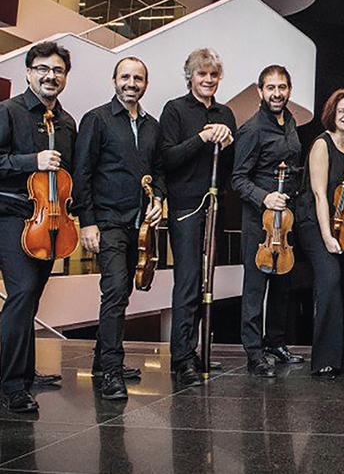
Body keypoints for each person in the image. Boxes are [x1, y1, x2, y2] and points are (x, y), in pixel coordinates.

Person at [73, 57, 164, 399]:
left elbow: (159, 171)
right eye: (125, 77)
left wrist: (159, 198)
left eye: (138, 78)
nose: (131, 83)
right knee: (114, 292)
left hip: (139, 225)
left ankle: (102, 361)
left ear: (145, 84)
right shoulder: (96, 119)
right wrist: (87, 222)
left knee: (123, 293)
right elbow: (82, 173)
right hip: (108, 220)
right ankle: (112, 371)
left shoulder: (153, 126)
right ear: (114, 81)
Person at [0, 42, 76, 412]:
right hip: (10, 217)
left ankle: (24, 372)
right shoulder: (8, 111)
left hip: (48, 221)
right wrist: (33, 160)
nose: (51, 76)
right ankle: (12, 386)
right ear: (29, 73)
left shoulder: (66, 122)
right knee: (22, 295)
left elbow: (68, 175)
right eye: (43, 69)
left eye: (58, 70)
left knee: (29, 300)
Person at [159, 48, 236, 386]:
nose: (208, 80)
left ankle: (199, 351)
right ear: (190, 76)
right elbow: (167, 158)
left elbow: (231, 167)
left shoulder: (226, 113)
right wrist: (201, 138)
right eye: (202, 74)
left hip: (215, 208)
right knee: (188, 282)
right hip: (186, 208)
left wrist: (228, 143)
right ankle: (183, 358)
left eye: (213, 75)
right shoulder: (175, 109)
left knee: (207, 283)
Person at [231, 65, 306, 378]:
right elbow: (238, 179)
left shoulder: (290, 121)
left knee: (282, 285)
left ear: (289, 90)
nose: (277, 93)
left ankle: (275, 343)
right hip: (259, 223)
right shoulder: (252, 129)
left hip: (285, 221)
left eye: (282, 87)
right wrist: (264, 197)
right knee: (255, 288)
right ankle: (254, 353)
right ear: (260, 91)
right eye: (271, 88)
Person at [297, 89, 344, 379]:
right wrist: (326, 236)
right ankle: (324, 359)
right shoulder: (322, 145)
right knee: (330, 278)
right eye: (342, 111)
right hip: (315, 222)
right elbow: (319, 194)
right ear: (332, 114)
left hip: (343, 223)